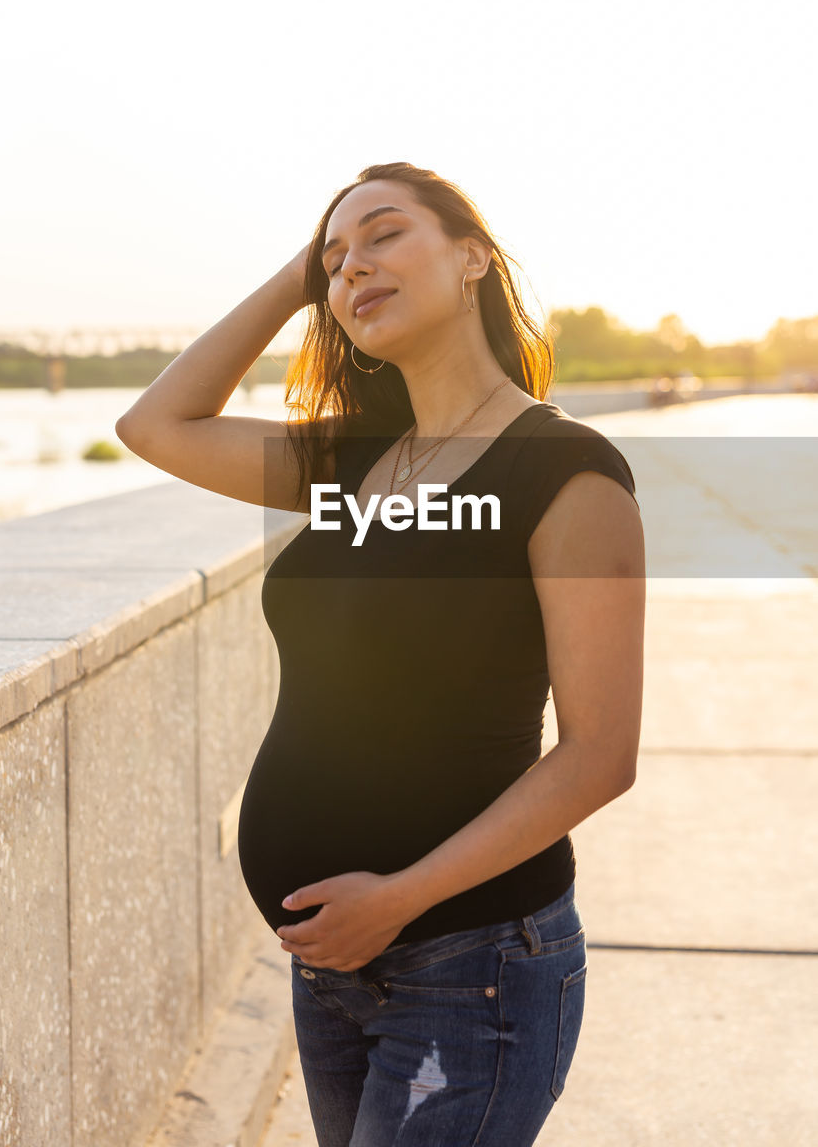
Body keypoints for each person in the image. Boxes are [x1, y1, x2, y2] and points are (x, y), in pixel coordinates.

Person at [115, 162, 645, 1145]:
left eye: (386, 234)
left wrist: (399, 896)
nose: (354, 264)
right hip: (329, 967)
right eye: (336, 257)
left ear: (472, 256)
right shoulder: (349, 459)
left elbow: (600, 752)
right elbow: (154, 424)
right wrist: (300, 273)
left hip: (471, 963)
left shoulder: (565, 471)